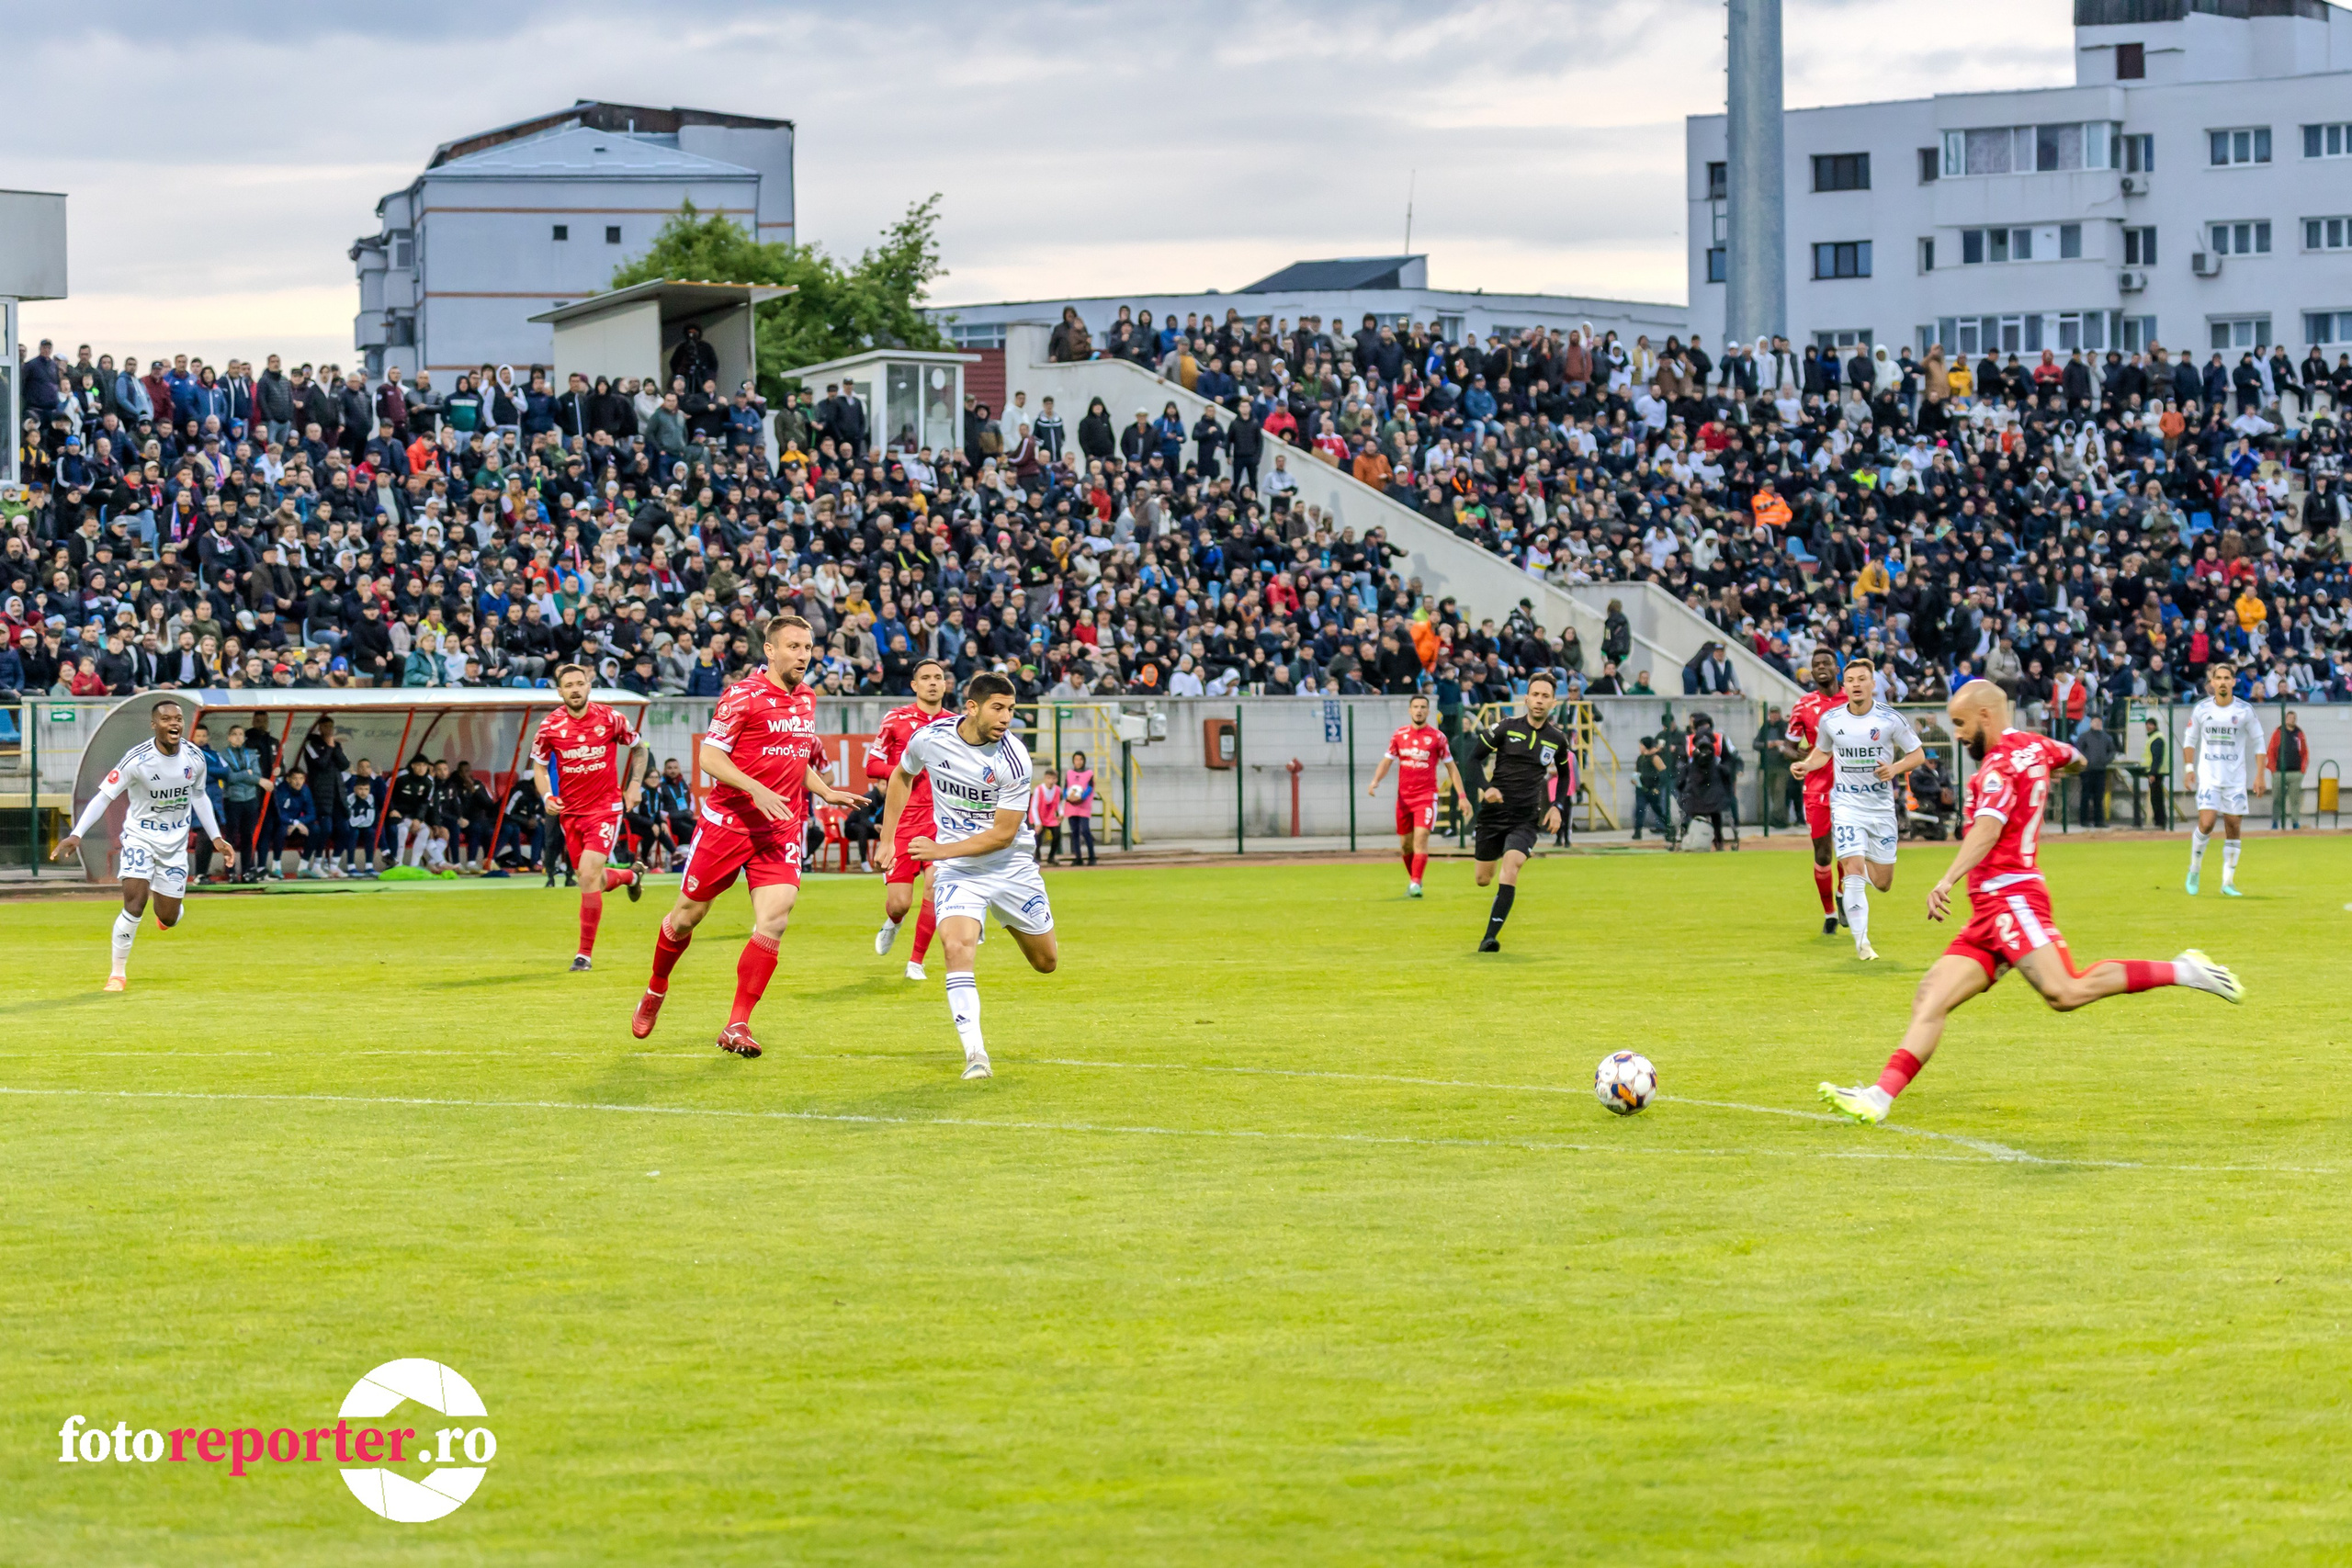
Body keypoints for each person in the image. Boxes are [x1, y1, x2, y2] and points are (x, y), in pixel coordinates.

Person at [1819, 681, 2243, 1125]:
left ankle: (2185, 969)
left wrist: (1946, 879)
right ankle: (1879, 1097)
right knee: (1931, 996)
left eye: (1961, 724)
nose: (1958, 735)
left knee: (2065, 991)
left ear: (1985, 716)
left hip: (2012, 897)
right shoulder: (2037, 746)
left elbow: (1986, 830)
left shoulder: (1999, 767)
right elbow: (2074, 759)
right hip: (1990, 911)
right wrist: (2051, 775)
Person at [630, 615, 865, 1055]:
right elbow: (710, 757)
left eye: (808, 647)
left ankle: (737, 1024)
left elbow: (796, 760)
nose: (803, 654)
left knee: (775, 918)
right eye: (793, 646)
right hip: (728, 825)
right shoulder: (742, 695)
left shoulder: (808, 699)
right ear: (770, 651)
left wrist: (826, 790)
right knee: (686, 918)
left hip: (779, 828)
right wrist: (755, 789)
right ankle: (656, 989)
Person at [880, 671, 1060, 1080]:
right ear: (972, 707)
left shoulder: (1014, 759)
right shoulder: (930, 738)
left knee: (1046, 963)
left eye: (1011, 709)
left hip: (1010, 866)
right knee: (956, 947)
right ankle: (975, 1054)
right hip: (960, 870)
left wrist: (938, 850)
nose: (1006, 717)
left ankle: (1003, 917)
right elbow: (901, 775)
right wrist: (888, 839)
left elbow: (1002, 835)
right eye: (998, 708)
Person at [52, 699, 232, 990]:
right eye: (166, 719)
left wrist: (216, 838)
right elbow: (103, 796)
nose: (174, 723)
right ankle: (117, 973)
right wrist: (78, 833)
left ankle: (169, 914)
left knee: (168, 917)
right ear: (154, 725)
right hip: (140, 839)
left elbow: (199, 796)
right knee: (135, 904)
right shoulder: (136, 760)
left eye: (178, 719)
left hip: (174, 846)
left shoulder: (195, 758)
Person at [1792, 659, 1925, 962]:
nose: (1855, 684)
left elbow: (1917, 754)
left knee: (1882, 883)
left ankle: (1858, 874)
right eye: (1850, 679)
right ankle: (1862, 943)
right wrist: (1805, 765)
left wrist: (1894, 768)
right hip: (1847, 805)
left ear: (1872, 684)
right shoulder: (1832, 719)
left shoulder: (1890, 719)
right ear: (1845, 685)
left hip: (1880, 810)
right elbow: (1823, 752)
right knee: (1850, 868)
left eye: (1861, 679)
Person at [530, 662, 650, 968]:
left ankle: (583, 955)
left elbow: (640, 749)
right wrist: (547, 796)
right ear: (560, 691)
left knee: (586, 876)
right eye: (568, 685)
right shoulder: (549, 727)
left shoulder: (610, 718)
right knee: (592, 881)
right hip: (570, 812)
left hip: (605, 809)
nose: (575, 689)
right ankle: (631, 875)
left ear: (588, 686)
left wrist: (634, 786)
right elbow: (540, 767)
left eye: (579, 683)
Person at [1468, 672, 1573, 952]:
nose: (1539, 701)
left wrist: (1557, 807)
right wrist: (1486, 787)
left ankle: (1489, 938)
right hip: (1493, 815)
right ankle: (1496, 853)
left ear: (1553, 702)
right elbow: (1473, 758)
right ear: (1526, 698)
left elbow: (1564, 775)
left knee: (1511, 866)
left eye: (1545, 696)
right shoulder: (1505, 728)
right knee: (1482, 879)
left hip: (1525, 819)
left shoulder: (1557, 739)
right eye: (1535, 695)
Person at [866, 658, 953, 980]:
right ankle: (894, 920)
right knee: (901, 903)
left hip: (941, 821)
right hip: (902, 822)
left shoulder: (956, 725)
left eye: (938, 677)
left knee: (935, 886)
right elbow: (872, 766)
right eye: (926, 678)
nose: (933, 682)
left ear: (945, 685)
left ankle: (915, 962)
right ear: (914, 685)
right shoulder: (896, 720)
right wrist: (904, 771)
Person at [1366, 694, 1468, 897]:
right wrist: (1375, 780)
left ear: (1428, 711)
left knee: (1421, 838)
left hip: (1426, 797)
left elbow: (1452, 769)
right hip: (1404, 799)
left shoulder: (1438, 738)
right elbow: (1387, 761)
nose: (1419, 710)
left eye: (1423, 707)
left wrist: (1462, 796)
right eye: (1416, 706)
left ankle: (1415, 882)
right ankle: (1414, 880)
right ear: (1410, 710)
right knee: (1405, 845)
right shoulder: (1399, 735)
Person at [2183, 663, 2265, 897]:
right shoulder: (2201, 709)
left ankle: (2227, 882)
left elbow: (2259, 743)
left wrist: (2259, 775)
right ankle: (2194, 869)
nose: (2222, 682)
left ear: (2233, 682)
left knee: (2233, 826)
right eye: (2217, 678)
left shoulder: (2244, 710)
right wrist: (2189, 769)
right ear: (2212, 682)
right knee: (2207, 823)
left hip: (2235, 779)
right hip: (2209, 776)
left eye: (2226, 678)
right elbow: (2190, 740)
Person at [1784, 648, 1846, 934]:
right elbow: (1789, 745)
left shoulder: (1854, 700)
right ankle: (1830, 913)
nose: (1821, 667)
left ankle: (1844, 894)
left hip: (1850, 787)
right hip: (1817, 788)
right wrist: (1803, 762)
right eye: (1816, 664)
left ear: (1837, 668)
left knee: (1848, 847)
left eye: (1826, 663)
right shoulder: (1804, 706)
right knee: (1823, 853)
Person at [2268, 709, 2308, 830]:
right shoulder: (2279, 732)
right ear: (2285, 719)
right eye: (2290, 718)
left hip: (2295, 772)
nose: (2292, 720)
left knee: (2295, 800)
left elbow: (2304, 752)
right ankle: (2275, 822)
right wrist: (2273, 769)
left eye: (2294, 718)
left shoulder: (2299, 733)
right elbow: (2271, 750)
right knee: (2277, 799)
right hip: (2279, 772)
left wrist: (2302, 770)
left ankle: (2295, 822)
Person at [1063, 751, 1100, 865]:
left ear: (1084, 761)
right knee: (1074, 832)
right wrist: (1068, 798)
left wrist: (1080, 798)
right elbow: (1065, 788)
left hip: (1083, 806)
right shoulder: (1069, 773)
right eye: (1076, 759)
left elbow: (1089, 788)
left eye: (1080, 760)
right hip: (1071, 806)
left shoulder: (1089, 773)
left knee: (1085, 830)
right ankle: (1078, 857)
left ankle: (1092, 857)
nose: (1078, 762)